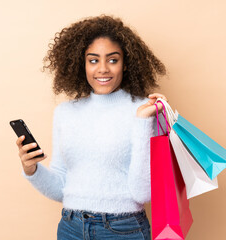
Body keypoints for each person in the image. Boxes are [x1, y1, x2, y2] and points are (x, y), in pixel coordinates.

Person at [15, 15, 168, 240]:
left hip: (123, 229)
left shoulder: (144, 111)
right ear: (82, 64)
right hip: (70, 227)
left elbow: (143, 192)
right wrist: (32, 170)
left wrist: (143, 122)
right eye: (93, 60)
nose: (103, 69)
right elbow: (61, 188)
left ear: (126, 64)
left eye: (113, 60)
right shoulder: (65, 113)